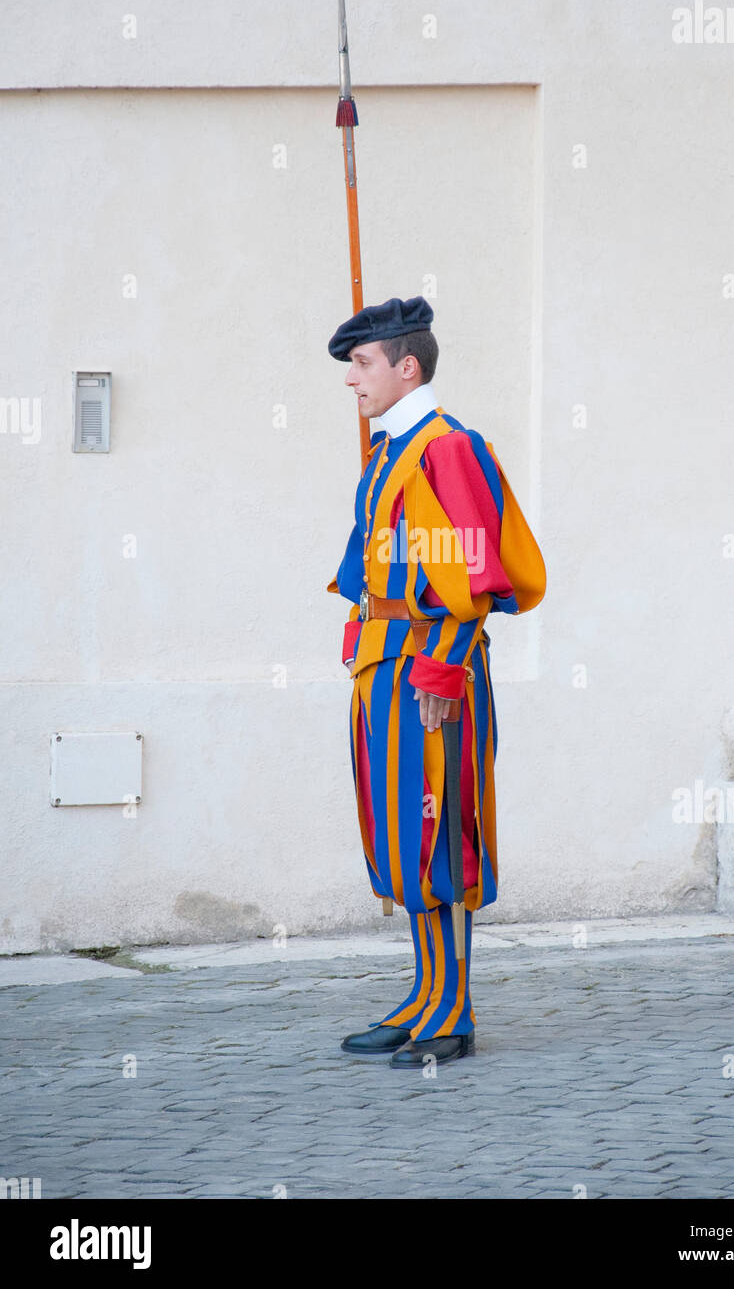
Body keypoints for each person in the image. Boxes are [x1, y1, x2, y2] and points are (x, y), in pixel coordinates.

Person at [326, 296, 546, 1067]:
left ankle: (453, 1009)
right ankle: (424, 994)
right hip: (381, 665)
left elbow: (475, 578)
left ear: (405, 365)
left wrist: (440, 669)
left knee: (437, 835)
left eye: (362, 364)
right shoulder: (391, 447)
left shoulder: (446, 448)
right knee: (400, 836)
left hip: (428, 669)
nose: (352, 380)